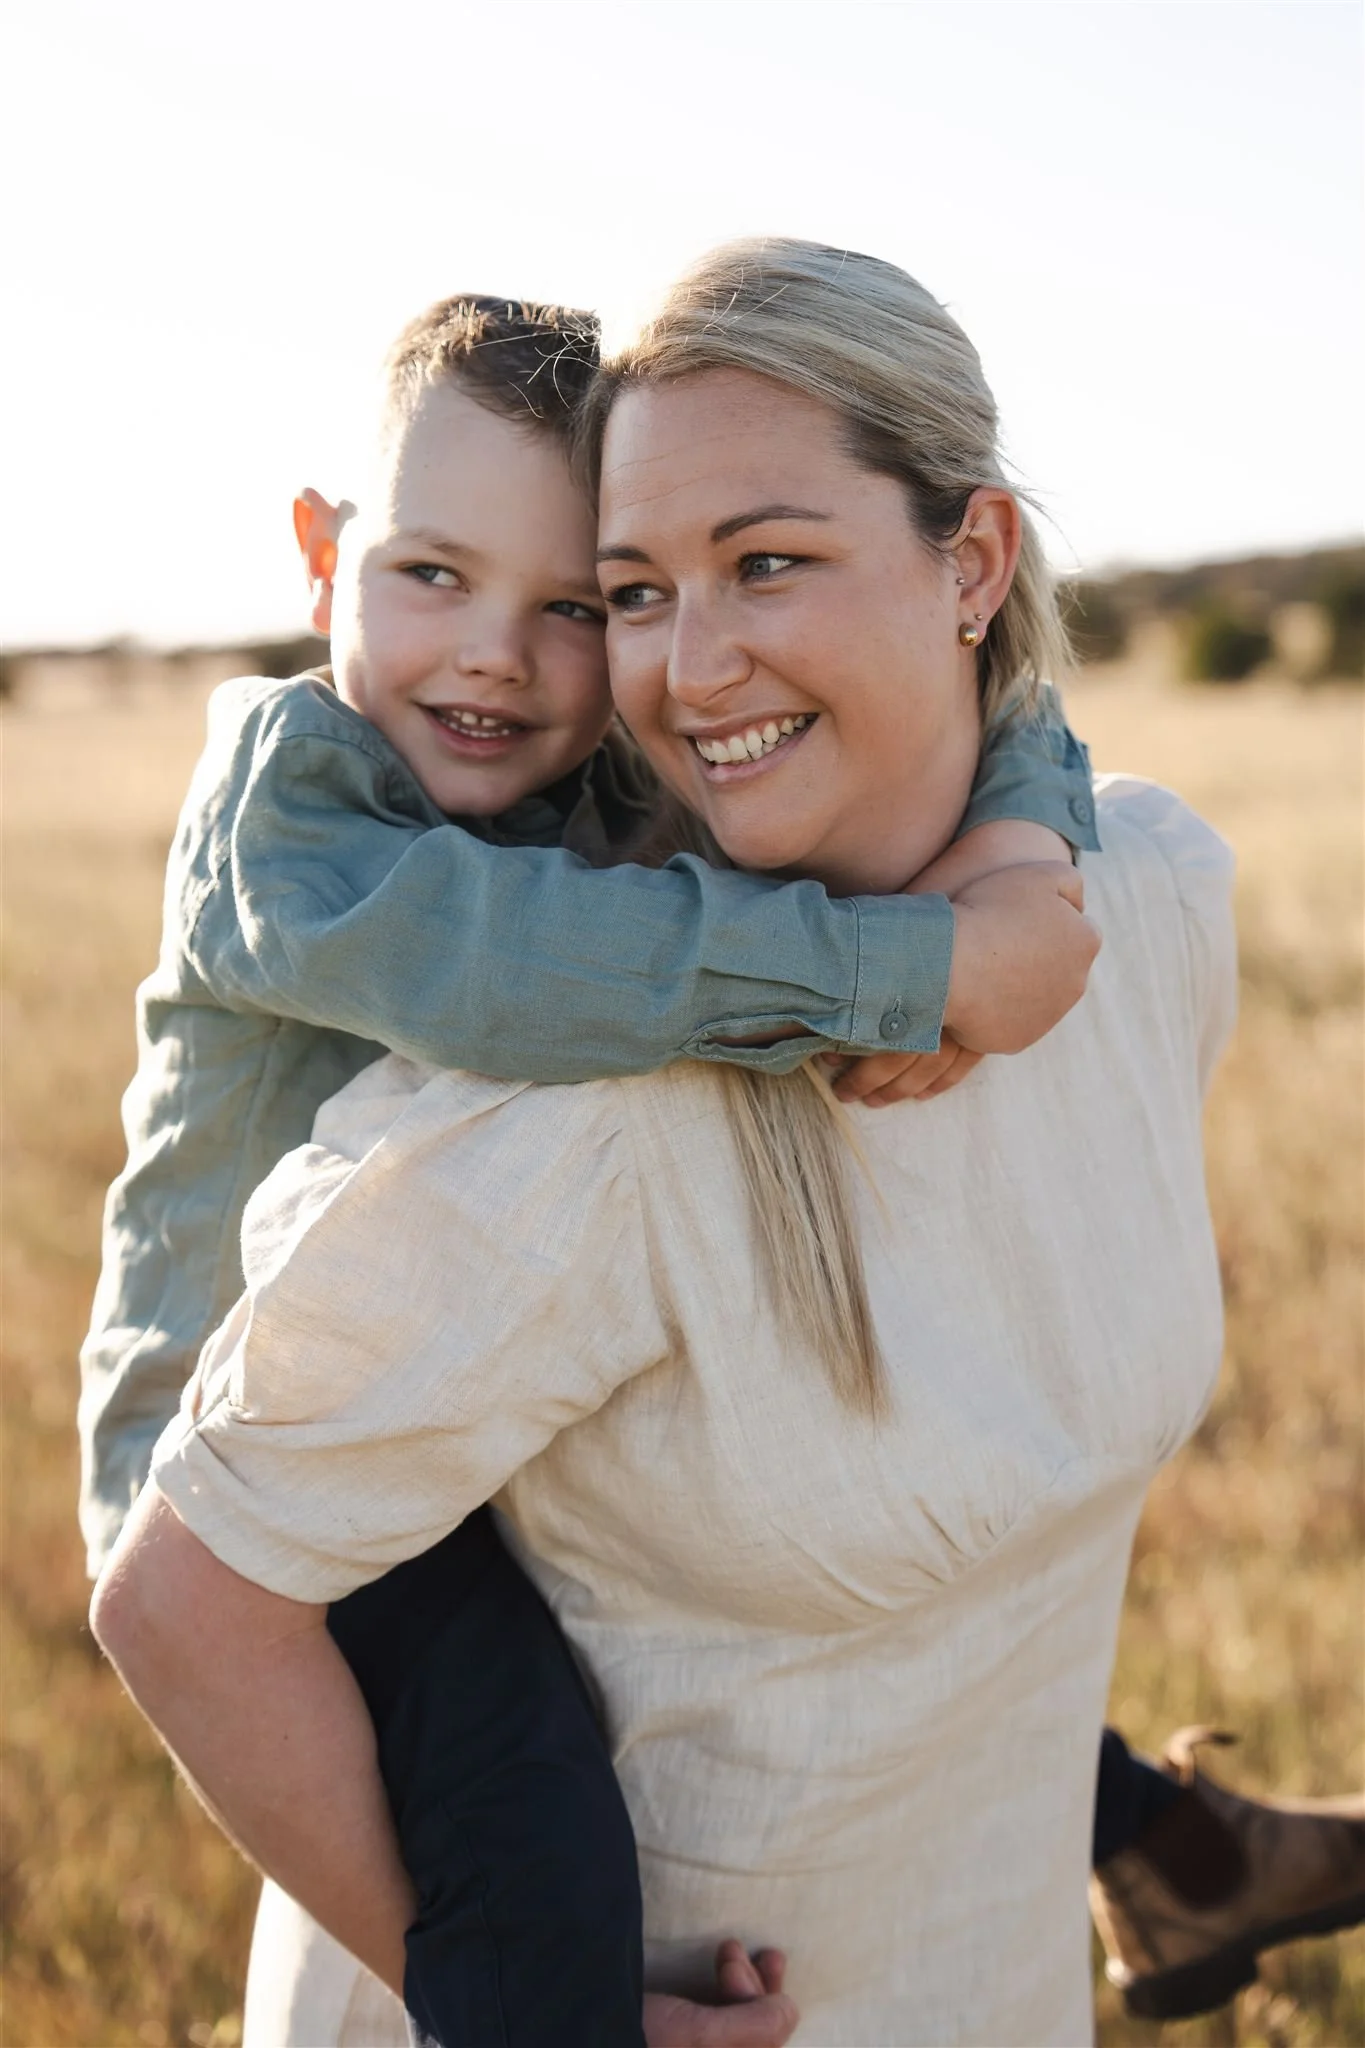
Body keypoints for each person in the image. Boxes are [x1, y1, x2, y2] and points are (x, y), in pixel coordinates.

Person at [91, 243, 1365, 2041]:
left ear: (975, 562)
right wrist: (901, 974)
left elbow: (1027, 731)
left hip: (978, 1971)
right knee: (504, 1758)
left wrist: (1014, 855)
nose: (669, 667)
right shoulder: (435, 972)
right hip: (257, 1472)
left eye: (758, 562)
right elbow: (499, 969)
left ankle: (1160, 1844)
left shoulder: (1138, 906)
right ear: (327, 554)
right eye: (640, 590)